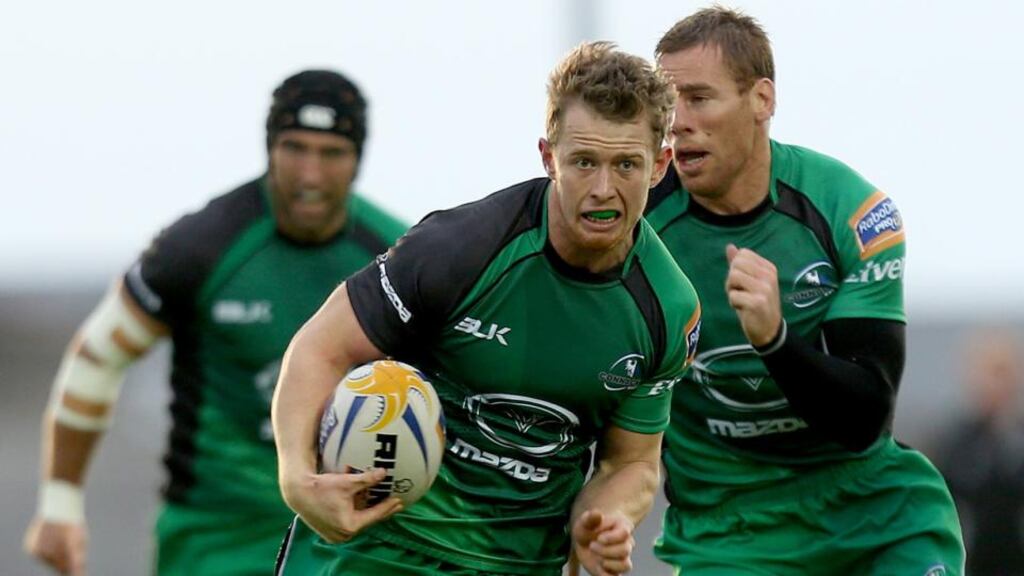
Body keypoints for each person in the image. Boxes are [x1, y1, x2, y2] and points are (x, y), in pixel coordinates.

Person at [272, 41, 702, 576]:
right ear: (549, 157)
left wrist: (605, 518)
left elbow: (633, 461)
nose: (602, 189)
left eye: (626, 165)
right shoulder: (461, 248)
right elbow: (320, 348)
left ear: (660, 164)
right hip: (373, 547)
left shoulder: (667, 306)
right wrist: (296, 480)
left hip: (518, 564)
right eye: (584, 162)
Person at [23, 69, 407, 576]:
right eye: (294, 148)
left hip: (344, 542)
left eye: (331, 153)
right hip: (215, 540)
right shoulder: (200, 248)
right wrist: (59, 507)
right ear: (269, 147)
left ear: (358, 159)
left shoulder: (399, 258)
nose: (310, 174)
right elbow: (98, 358)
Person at [644, 7, 965, 575]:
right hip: (731, 527)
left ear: (762, 100)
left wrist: (774, 341)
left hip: (873, 513)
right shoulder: (635, 227)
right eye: (668, 105)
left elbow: (866, 415)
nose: (678, 123)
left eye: (699, 98)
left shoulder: (850, 212)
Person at [932, 328, 1024, 575]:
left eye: (1004, 373)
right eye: (991, 373)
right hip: (972, 561)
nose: (997, 384)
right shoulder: (957, 440)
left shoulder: (1018, 436)